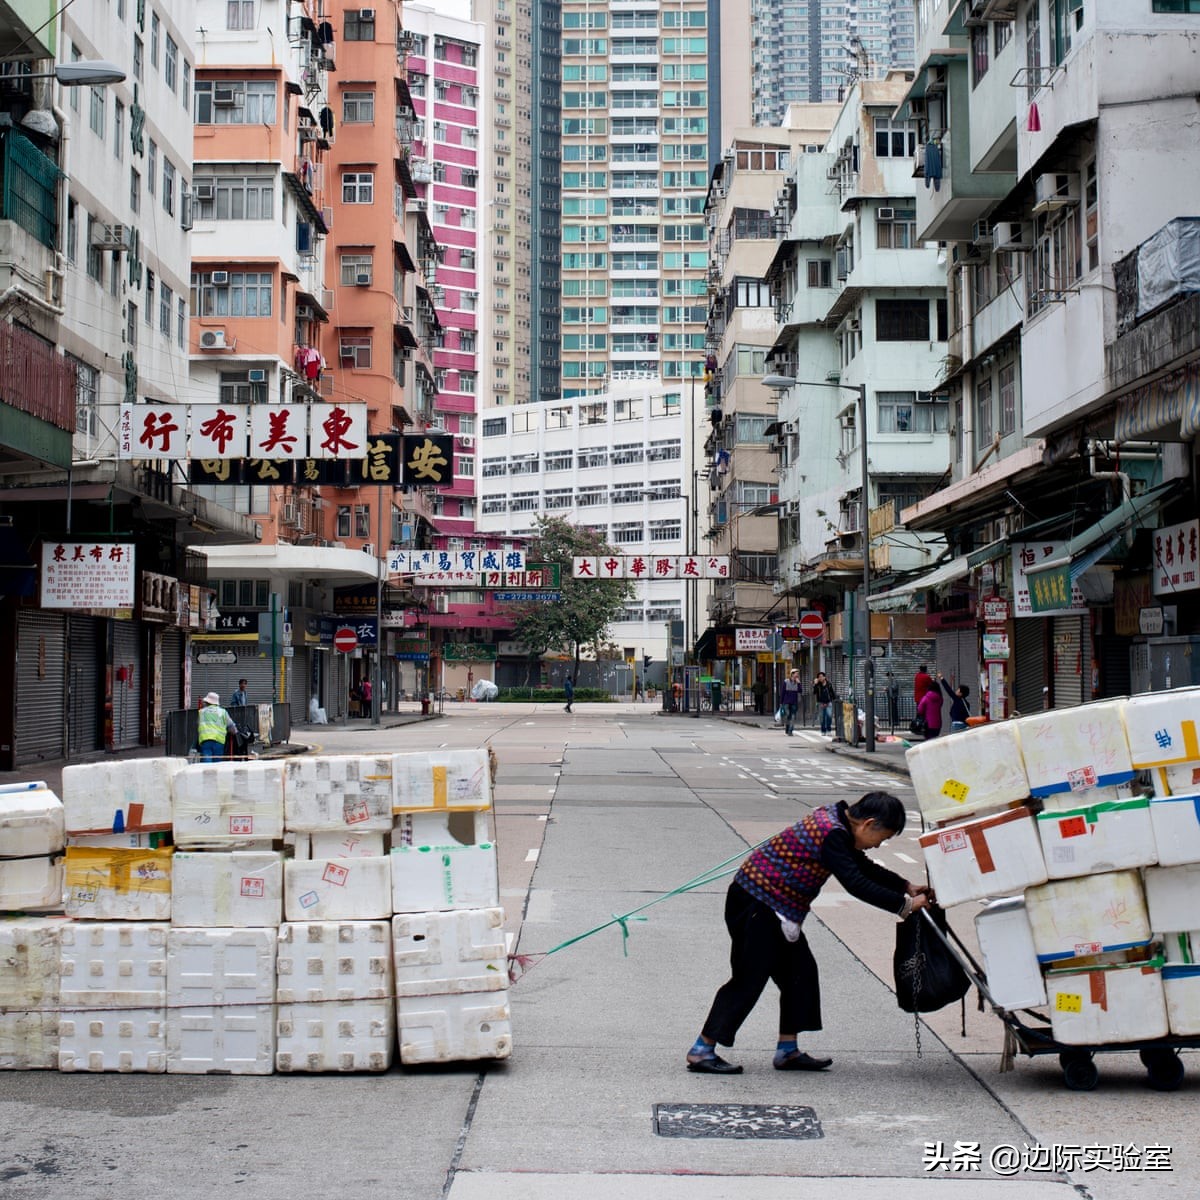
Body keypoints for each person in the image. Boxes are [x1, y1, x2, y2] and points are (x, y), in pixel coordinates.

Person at [686, 792, 934, 1075]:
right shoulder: (832, 833)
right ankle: (702, 1049)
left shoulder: (839, 823)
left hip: (773, 905)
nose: (879, 845)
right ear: (868, 823)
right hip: (757, 903)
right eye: (883, 837)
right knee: (749, 977)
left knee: (799, 973)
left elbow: (860, 865)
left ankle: (787, 1050)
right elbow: (854, 882)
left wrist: (904, 885)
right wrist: (905, 905)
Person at [197, 692, 236, 762]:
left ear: (207, 702)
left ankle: (207, 772)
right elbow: (231, 726)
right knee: (217, 764)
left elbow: (198, 724)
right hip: (218, 740)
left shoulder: (201, 712)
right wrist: (235, 732)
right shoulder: (223, 712)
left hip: (205, 740)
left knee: (206, 762)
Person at [780, 669, 801, 736]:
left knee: (792, 716)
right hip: (786, 702)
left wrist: (799, 683)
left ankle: (790, 731)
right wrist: (781, 702)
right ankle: (787, 728)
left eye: (798, 674)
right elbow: (783, 692)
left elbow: (800, 691)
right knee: (788, 715)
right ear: (792, 674)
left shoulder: (797, 683)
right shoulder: (786, 682)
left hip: (794, 702)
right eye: (796, 674)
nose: (797, 675)